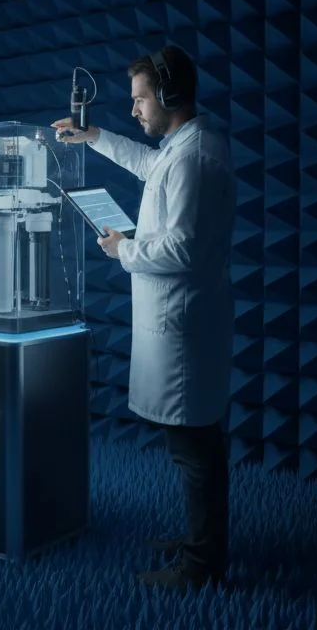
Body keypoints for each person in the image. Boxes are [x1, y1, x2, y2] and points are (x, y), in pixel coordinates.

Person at [51, 45, 237, 590]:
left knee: (196, 451)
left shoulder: (196, 158)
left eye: (139, 99)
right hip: (180, 323)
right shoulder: (183, 148)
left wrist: (123, 250)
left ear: (170, 96)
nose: (133, 110)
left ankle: (202, 563)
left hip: (185, 329)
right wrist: (96, 138)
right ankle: (200, 544)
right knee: (192, 448)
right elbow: (147, 164)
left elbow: (183, 250)